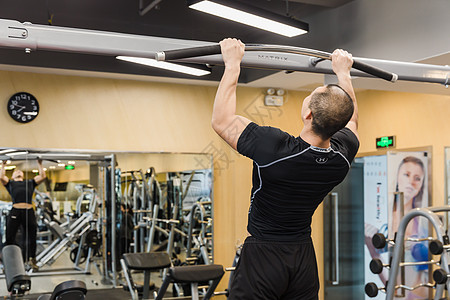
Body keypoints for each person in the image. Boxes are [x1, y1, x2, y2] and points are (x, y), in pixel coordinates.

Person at [212, 38, 359, 299]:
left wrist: (233, 64)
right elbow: (351, 120)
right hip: (303, 257)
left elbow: (222, 121)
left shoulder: (276, 149)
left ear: (308, 115)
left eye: (311, 96)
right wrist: (344, 74)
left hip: (264, 256)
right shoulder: (341, 159)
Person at [0, 159, 46, 270]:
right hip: (15, 211)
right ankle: (7, 262)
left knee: (32, 237)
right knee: (10, 237)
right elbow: (1, 177)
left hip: (29, 211)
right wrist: (3, 164)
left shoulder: (30, 182)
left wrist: (40, 163)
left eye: (20, 171)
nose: (19, 171)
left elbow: (43, 176)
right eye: (16, 171)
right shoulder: (10, 183)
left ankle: (32, 260)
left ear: (23, 175)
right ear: (12, 176)